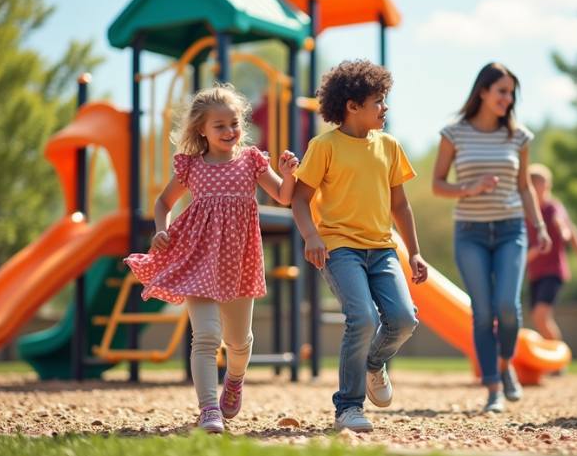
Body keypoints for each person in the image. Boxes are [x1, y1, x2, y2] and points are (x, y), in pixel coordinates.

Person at [124, 86, 299, 433]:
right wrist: (162, 229)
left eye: (233, 123)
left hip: (239, 262)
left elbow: (282, 194)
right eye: (219, 125)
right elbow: (162, 203)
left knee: (238, 341)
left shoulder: (250, 160)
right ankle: (208, 410)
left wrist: (289, 173)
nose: (229, 131)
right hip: (197, 258)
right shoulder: (191, 166)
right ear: (201, 129)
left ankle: (234, 379)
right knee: (204, 336)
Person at [291, 59, 427, 433]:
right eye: (378, 101)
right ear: (352, 106)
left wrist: (414, 251)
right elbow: (300, 200)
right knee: (362, 318)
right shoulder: (324, 147)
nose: (385, 108)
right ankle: (348, 406)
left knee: (403, 319)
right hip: (339, 249)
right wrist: (312, 236)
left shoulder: (390, 146)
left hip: (382, 249)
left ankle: (372, 364)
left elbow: (400, 205)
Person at [431, 62, 551, 413]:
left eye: (511, 92)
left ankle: (505, 362)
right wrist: (470, 189)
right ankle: (493, 388)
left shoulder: (519, 136)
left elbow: (524, 186)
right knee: (482, 313)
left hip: (511, 229)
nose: (507, 98)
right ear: (482, 91)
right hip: (470, 233)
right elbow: (438, 184)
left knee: (507, 308)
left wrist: (539, 225)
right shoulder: (454, 133)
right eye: (501, 91)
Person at [526, 163, 577, 341]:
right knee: (539, 319)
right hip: (534, 273)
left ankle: (558, 359)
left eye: (542, 185)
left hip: (553, 271)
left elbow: (566, 227)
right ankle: (551, 356)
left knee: (540, 315)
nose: (540, 190)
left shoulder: (552, 207)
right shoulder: (527, 212)